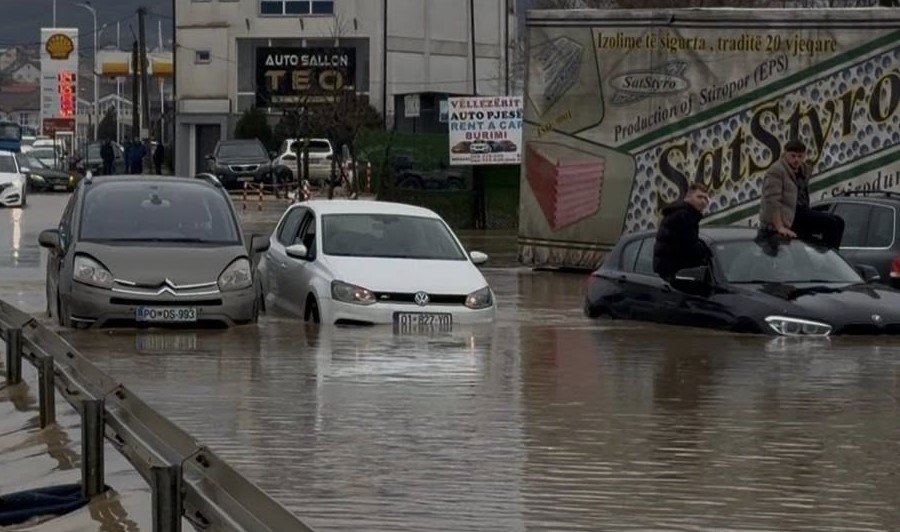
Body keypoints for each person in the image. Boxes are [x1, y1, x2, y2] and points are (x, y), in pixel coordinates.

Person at [758, 139, 844, 249]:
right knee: (831, 224)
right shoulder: (777, 170)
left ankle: (829, 255)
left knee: (839, 222)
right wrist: (779, 227)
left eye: (799, 156)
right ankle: (826, 257)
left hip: (800, 212)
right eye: (793, 156)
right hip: (788, 217)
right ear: (785, 154)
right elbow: (772, 201)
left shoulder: (803, 170)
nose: (796, 160)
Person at [653, 182, 711, 281]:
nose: (703, 201)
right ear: (688, 197)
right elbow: (690, 247)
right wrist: (707, 251)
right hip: (673, 277)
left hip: (669, 275)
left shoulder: (683, 214)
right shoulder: (684, 216)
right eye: (699, 197)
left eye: (706, 198)